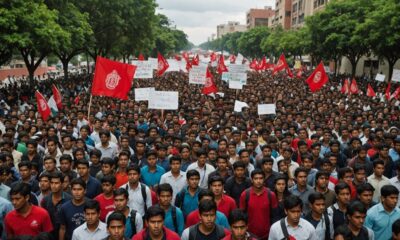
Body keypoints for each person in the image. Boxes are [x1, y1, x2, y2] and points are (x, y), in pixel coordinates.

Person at [240, 169, 278, 239]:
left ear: (264, 179)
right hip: (250, 234)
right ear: (252, 180)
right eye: (256, 178)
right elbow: (242, 215)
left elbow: (275, 216)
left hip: (267, 234)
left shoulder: (271, 195)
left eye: (261, 178)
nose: (258, 181)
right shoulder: (245, 194)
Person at [41, 171, 72, 239]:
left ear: (62, 184)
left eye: (56, 183)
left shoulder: (69, 200)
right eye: (52, 183)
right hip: (49, 235)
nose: (53, 185)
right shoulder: (45, 200)